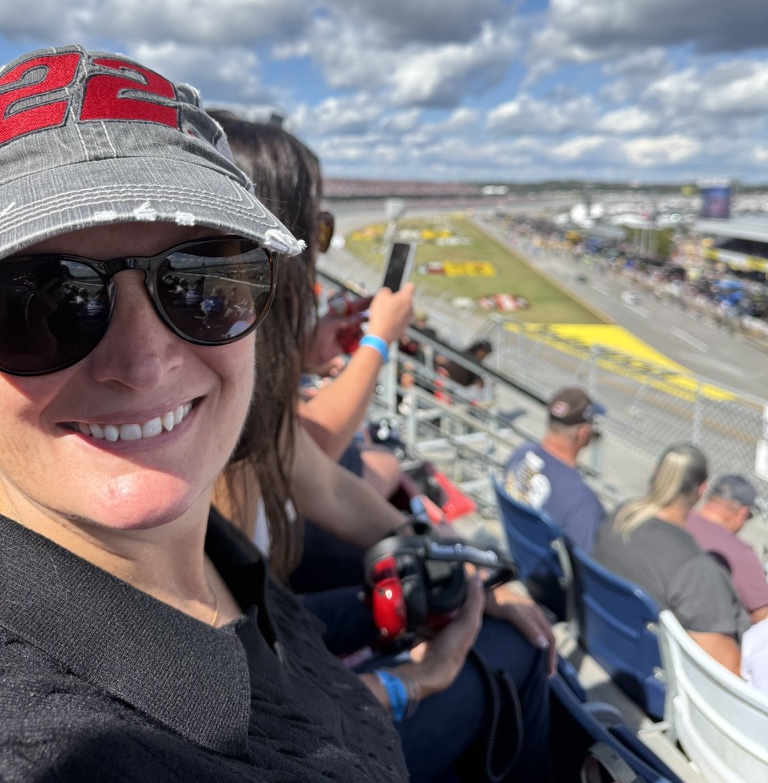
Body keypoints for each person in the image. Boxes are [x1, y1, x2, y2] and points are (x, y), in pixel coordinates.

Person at [0, 44, 486, 781]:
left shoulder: (215, 548)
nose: (143, 365)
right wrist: (409, 685)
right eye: (40, 303)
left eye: (204, 283)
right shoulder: (58, 748)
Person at [210, 112, 554, 782]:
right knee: (518, 653)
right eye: (316, 230)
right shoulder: (201, 434)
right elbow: (247, 717)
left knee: (463, 605)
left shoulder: (247, 414)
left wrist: (467, 573)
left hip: (280, 636)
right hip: (288, 725)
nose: (321, 252)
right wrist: (418, 681)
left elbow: (327, 484)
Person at [593, 444, 750, 673]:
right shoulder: (696, 568)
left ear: (656, 473)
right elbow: (728, 668)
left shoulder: (621, 515)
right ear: (702, 490)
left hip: (606, 647)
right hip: (655, 676)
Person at [504, 387, 606, 553]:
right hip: (544, 566)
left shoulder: (521, 453)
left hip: (516, 552)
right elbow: (586, 561)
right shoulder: (582, 502)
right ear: (583, 434)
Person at [687, 474, 768, 624]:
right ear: (742, 513)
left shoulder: (674, 519)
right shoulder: (741, 553)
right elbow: (762, 616)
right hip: (704, 632)